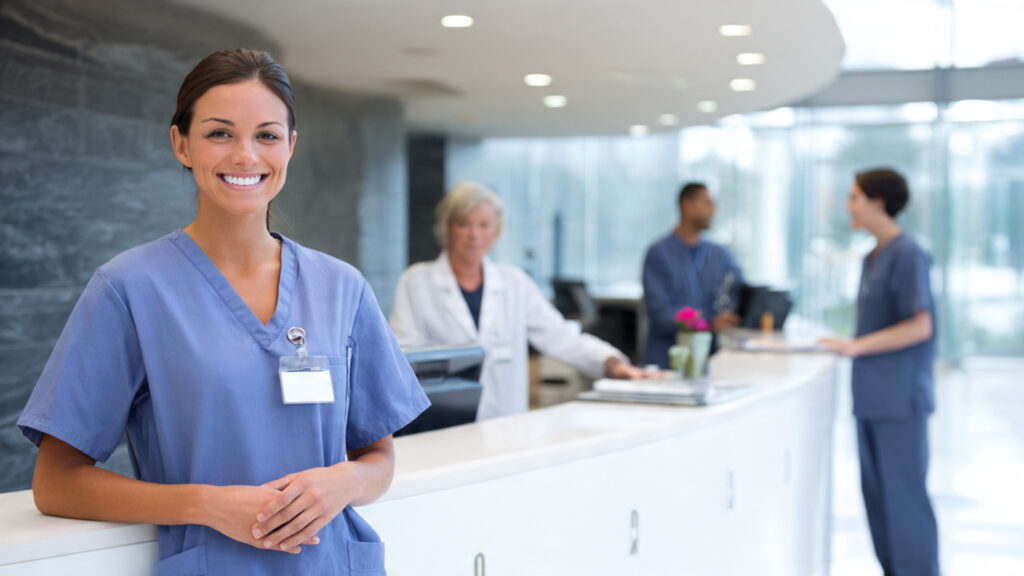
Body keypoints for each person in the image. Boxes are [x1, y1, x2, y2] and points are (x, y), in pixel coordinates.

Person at [17, 49, 429, 575]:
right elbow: (56, 482)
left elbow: (378, 458)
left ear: (291, 146)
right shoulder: (129, 288)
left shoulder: (341, 287)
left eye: (267, 135)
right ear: (180, 144)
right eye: (219, 133)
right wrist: (204, 505)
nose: (245, 155)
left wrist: (344, 481)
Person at [388, 181, 647, 421]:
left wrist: (611, 363)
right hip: (441, 423)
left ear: (496, 230)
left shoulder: (514, 282)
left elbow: (562, 338)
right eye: (464, 223)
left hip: (505, 424)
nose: (474, 234)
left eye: (484, 224)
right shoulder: (416, 282)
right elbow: (401, 355)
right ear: (446, 227)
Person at [820, 168, 940, 576]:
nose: (848, 205)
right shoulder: (874, 256)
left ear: (878, 203)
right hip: (872, 399)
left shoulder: (907, 253)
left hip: (899, 400)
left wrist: (856, 346)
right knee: (879, 503)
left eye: (854, 197)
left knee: (904, 503)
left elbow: (920, 324)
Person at [641, 182, 744, 368]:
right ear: (686, 206)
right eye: (707, 204)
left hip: (708, 361)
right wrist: (709, 322)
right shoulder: (659, 253)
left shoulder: (720, 255)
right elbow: (660, 313)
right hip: (667, 362)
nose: (713, 212)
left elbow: (740, 292)